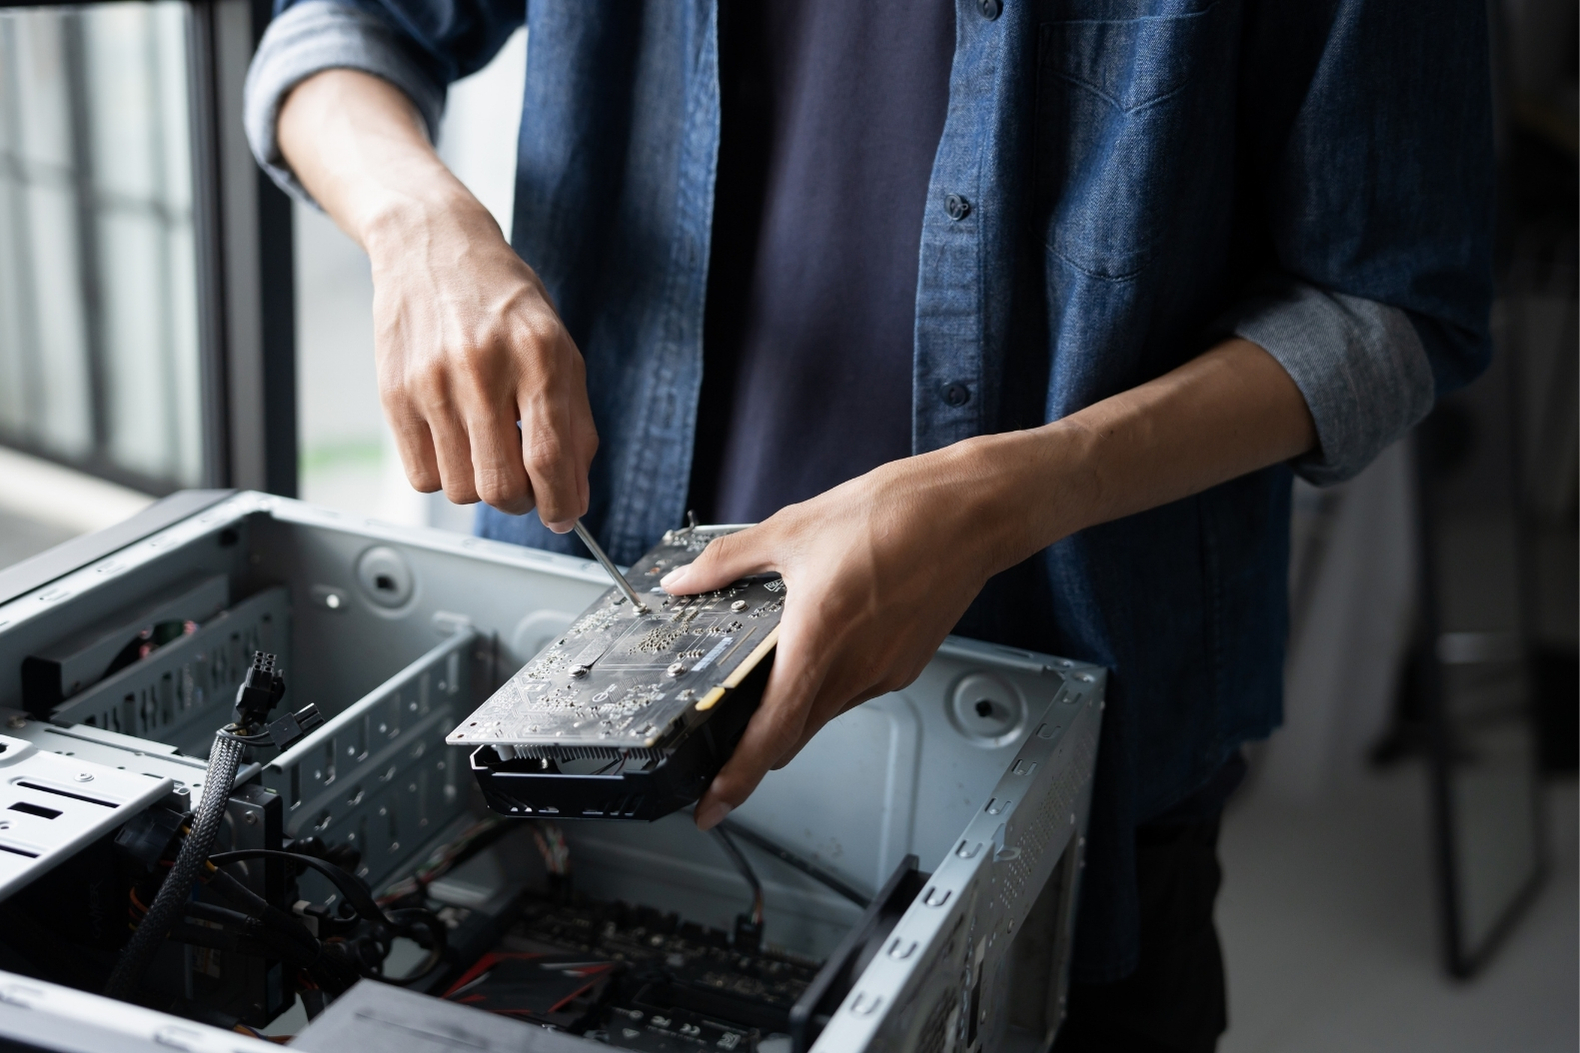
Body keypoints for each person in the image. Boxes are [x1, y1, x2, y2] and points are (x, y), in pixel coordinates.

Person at [245, 3, 1492, 1048]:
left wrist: (1013, 490)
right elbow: (335, 35)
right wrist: (420, 230)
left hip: (1075, 759)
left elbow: (1385, 306)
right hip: (579, 731)